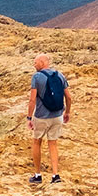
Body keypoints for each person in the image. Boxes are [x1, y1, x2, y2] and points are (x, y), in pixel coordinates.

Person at [26, 54, 70, 184]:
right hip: (57, 116)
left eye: (36, 62)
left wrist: (29, 117)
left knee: (36, 142)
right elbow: (69, 97)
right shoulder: (60, 75)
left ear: (42, 62)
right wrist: (67, 112)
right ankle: (55, 175)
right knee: (53, 143)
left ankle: (38, 175)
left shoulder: (37, 77)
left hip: (41, 117)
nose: (34, 64)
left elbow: (32, 99)